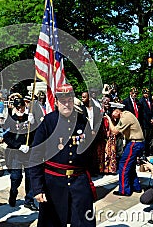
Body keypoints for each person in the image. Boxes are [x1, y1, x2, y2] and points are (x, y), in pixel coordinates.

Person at [29, 84, 96, 226]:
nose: (66, 104)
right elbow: (35, 156)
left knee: (84, 222)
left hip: (79, 182)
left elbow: (90, 151)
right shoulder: (48, 122)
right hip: (53, 183)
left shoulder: (82, 121)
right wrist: (37, 187)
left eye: (69, 100)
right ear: (57, 102)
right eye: (63, 101)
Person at [3, 98, 38, 211]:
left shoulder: (30, 119)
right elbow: (6, 137)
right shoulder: (10, 120)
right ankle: (13, 193)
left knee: (30, 177)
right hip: (16, 153)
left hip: (29, 153)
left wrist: (34, 124)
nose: (20, 109)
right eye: (17, 107)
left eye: (21, 107)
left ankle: (29, 200)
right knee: (16, 177)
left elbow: (38, 134)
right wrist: (18, 146)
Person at [106, 102, 145, 196]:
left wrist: (108, 119)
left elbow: (115, 131)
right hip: (136, 142)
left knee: (123, 165)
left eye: (112, 112)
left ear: (117, 111)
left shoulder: (125, 117)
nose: (112, 114)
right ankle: (136, 187)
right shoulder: (127, 114)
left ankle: (124, 190)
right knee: (130, 166)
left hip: (134, 143)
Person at [139, 88, 153, 156]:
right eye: (145, 93)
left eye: (147, 93)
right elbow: (141, 113)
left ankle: (149, 150)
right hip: (145, 122)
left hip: (150, 121)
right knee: (145, 137)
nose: (146, 95)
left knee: (150, 137)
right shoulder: (141, 101)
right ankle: (144, 152)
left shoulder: (150, 100)